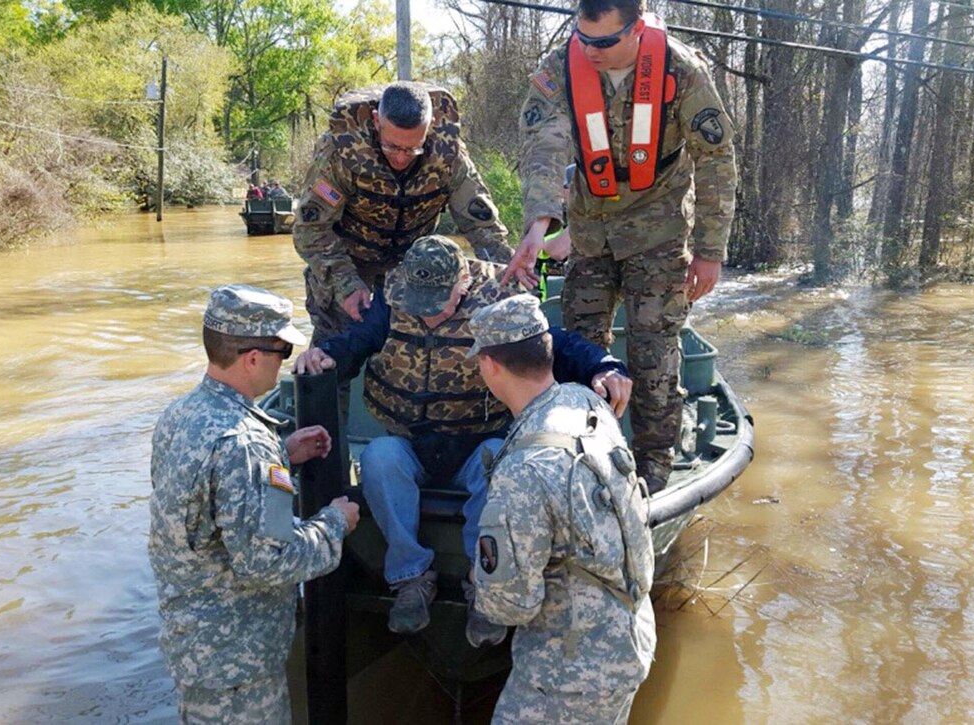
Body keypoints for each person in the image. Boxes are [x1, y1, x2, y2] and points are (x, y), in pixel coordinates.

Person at [293, 235, 632, 645]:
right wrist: (325, 354)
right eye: (422, 304)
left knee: (500, 463)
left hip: (477, 440)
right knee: (380, 459)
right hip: (409, 439)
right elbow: (357, 341)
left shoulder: (495, 300)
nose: (430, 316)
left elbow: (554, 344)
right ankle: (410, 577)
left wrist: (604, 365)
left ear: (462, 285)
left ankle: (481, 580)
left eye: (440, 303)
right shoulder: (393, 297)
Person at [504, 0, 737, 490]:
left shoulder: (680, 69)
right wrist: (537, 224)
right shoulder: (561, 67)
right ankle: (579, 459)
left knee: (653, 354)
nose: (591, 52)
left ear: (637, 27)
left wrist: (710, 252)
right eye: (583, 38)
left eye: (605, 42)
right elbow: (544, 144)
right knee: (580, 350)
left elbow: (715, 159)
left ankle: (653, 470)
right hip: (591, 230)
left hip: (659, 230)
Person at [149, 284, 360, 724]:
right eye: (281, 351)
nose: (285, 361)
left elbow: (209, 501)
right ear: (251, 358)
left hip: (194, 645)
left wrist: (282, 454)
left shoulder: (181, 415)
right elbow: (269, 562)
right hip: (239, 661)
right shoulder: (245, 444)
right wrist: (334, 523)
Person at [469, 294, 656, 724]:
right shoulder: (586, 402)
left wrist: (480, 582)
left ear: (490, 366)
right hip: (628, 635)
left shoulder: (523, 470)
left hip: (568, 672)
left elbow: (510, 605)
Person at [293, 80, 533, 348]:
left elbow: (482, 227)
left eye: (412, 148)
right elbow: (311, 230)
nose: (400, 158)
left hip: (414, 268)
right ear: (376, 121)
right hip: (346, 262)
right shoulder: (338, 154)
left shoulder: (449, 156)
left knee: (411, 353)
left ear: (429, 127)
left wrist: (508, 276)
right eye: (392, 147)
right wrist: (346, 285)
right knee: (334, 353)